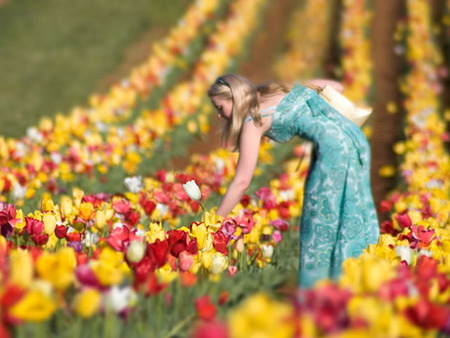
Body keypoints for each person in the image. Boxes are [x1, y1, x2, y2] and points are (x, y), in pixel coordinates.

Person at [207, 73, 380, 288]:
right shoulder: (279, 90)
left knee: (319, 222)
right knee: (351, 208)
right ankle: (360, 274)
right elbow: (336, 86)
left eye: (220, 108)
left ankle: (322, 290)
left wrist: (215, 221)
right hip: (354, 141)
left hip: (333, 154)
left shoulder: (254, 121)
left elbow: (241, 181)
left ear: (234, 99)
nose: (219, 115)